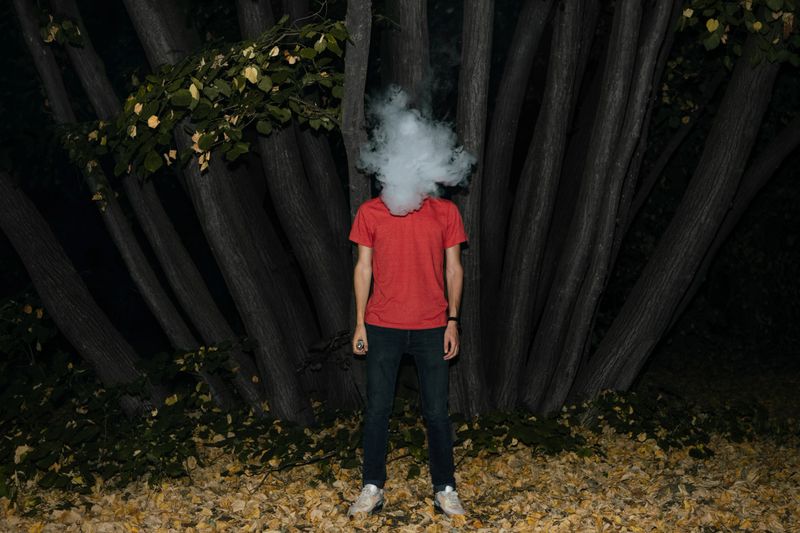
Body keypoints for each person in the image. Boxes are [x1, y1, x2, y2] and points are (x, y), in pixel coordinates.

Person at [346, 193, 467, 519]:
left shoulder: (445, 211)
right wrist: (360, 324)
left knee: (437, 413)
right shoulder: (370, 210)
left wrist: (453, 321)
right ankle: (372, 487)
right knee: (377, 411)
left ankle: (445, 488)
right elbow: (363, 266)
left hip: (432, 326)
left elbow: (454, 268)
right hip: (382, 326)